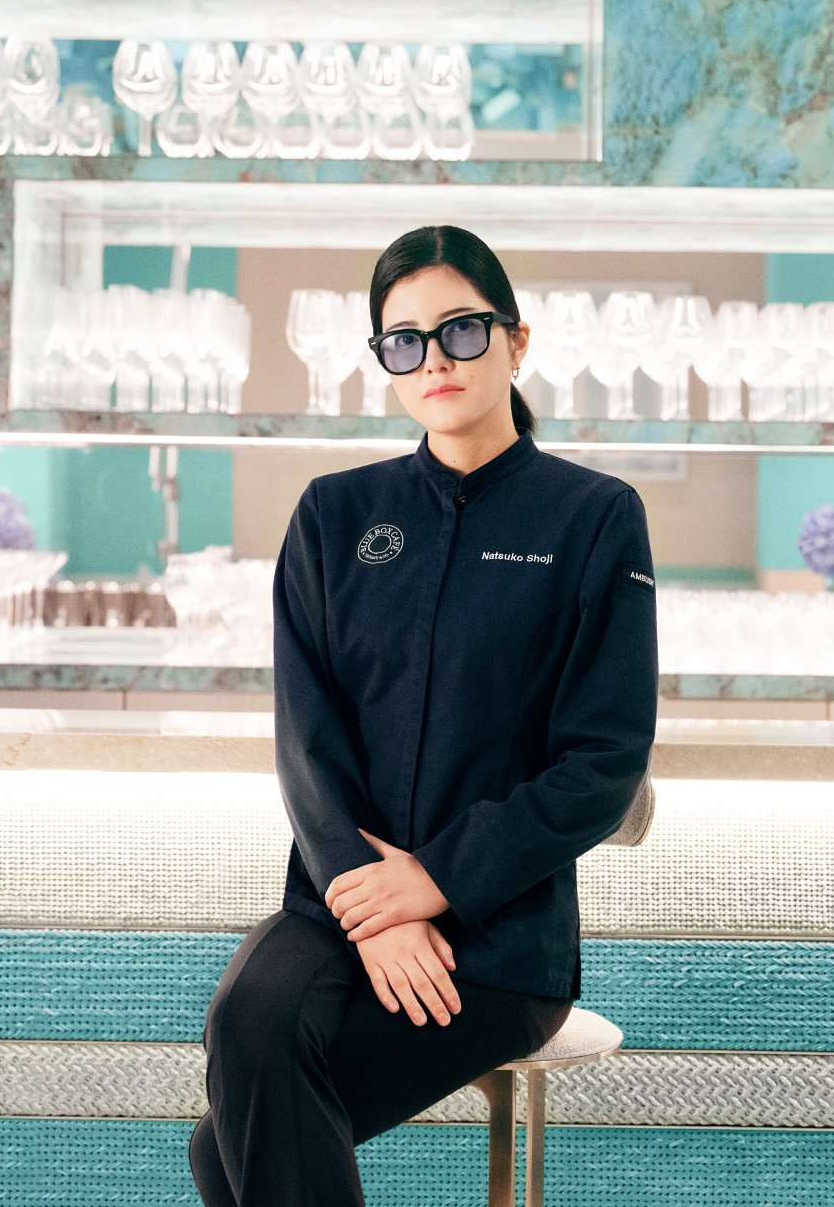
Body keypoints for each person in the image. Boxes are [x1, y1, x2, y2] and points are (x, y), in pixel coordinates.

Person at [188, 224, 659, 1207]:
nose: (435, 360)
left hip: (499, 938)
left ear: (516, 342)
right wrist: (375, 905)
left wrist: (436, 882)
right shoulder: (334, 515)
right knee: (246, 1020)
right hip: (341, 901)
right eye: (405, 341)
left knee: (225, 1153)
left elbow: (603, 764)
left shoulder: (593, 517)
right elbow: (306, 737)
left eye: (460, 331)